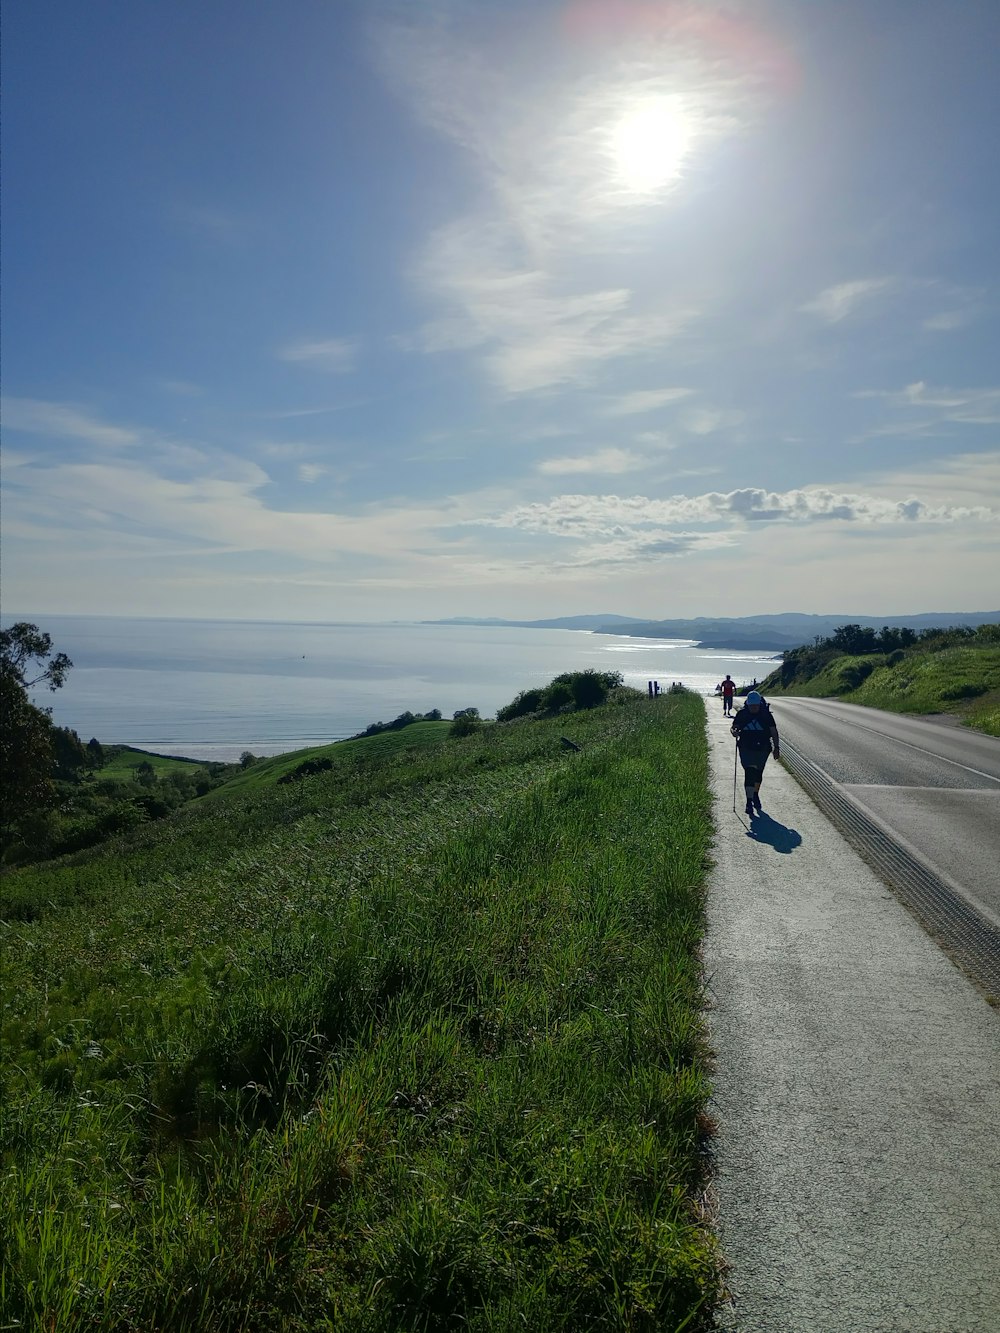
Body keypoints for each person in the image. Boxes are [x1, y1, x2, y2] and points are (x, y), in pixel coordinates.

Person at [731, 690, 779, 816]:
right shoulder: (742, 714)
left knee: (758, 773)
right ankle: (749, 801)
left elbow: (774, 732)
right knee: (750, 771)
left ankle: (755, 794)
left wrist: (776, 747)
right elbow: (734, 727)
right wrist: (734, 731)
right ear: (748, 704)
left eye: (756, 706)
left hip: (763, 748)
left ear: (759, 704)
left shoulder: (766, 715)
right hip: (746, 747)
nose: (754, 708)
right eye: (752, 706)